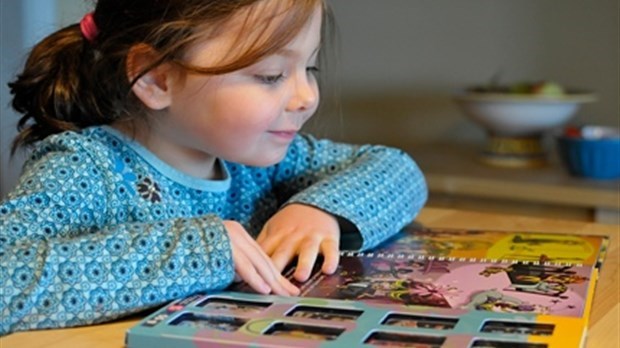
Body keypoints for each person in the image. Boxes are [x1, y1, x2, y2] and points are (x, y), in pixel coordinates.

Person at [0, 0, 427, 336]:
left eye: (309, 68)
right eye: (271, 74)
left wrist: (321, 210)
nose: (306, 97)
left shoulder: (255, 164)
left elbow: (398, 169)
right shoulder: (86, 170)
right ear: (155, 79)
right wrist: (199, 251)